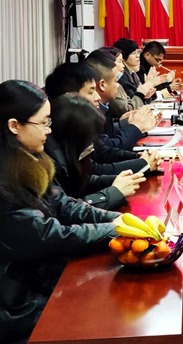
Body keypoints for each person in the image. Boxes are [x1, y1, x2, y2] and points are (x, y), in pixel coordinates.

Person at [0, 80, 118, 344]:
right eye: (43, 123)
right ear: (14, 126)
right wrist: (115, 230)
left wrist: (116, 219)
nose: (48, 130)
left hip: (42, 282)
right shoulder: (6, 179)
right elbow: (45, 236)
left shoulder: (30, 158)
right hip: (19, 307)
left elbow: (63, 204)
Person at [44, 60, 151, 175]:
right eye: (91, 92)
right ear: (71, 97)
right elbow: (90, 173)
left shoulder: (82, 119)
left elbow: (101, 151)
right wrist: (143, 164)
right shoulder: (60, 130)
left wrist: (138, 157)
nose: (97, 97)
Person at [45, 94, 146, 211]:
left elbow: (82, 181)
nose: (47, 130)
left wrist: (121, 180)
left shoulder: (65, 150)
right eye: (44, 122)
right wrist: (114, 192)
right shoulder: (50, 162)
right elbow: (66, 211)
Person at [85, 51, 156, 151]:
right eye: (116, 81)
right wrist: (135, 127)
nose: (118, 86)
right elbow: (107, 150)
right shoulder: (88, 113)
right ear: (102, 84)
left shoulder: (104, 105)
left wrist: (124, 122)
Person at [101, 47, 146, 118]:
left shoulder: (121, 81)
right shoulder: (118, 82)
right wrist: (141, 93)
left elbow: (128, 102)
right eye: (120, 62)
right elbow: (126, 110)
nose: (123, 65)